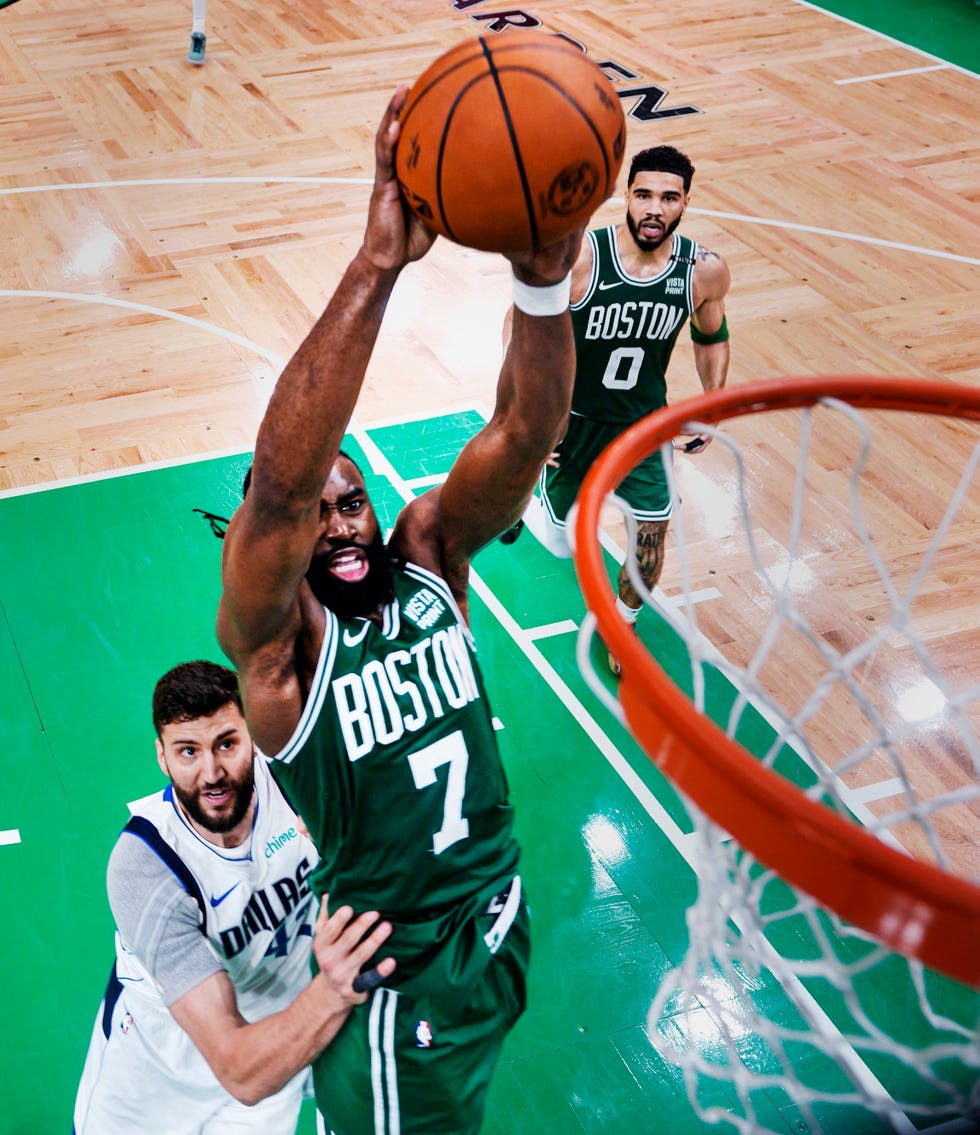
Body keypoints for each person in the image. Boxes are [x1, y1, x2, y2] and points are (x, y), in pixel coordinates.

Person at [215, 86, 588, 1135]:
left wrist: (545, 277)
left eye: (352, 500)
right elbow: (280, 493)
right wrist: (379, 264)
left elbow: (523, 432)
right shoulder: (278, 650)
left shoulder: (427, 553)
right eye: (315, 513)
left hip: (497, 921)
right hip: (398, 984)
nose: (338, 522)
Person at [73, 659, 395, 1135]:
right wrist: (333, 990)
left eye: (227, 744)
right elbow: (236, 1067)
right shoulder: (146, 865)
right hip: (156, 1073)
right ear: (162, 757)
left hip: (274, 1045)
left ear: (252, 737)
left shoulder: (300, 787)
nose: (211, 774)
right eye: (188, 752)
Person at [505, 145, 732, 675]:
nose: (655, 208)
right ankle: (518, 499)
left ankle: (619, 624)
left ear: (685, 203)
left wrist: (712, 403)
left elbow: (712, 336)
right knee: (555, 538)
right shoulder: (583, 257)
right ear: (626, 196)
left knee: (653, 533)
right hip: (574, 424)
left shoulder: (703, 271)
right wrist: (533, 416)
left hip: (643, 428)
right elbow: (520, 331)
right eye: (645, 194)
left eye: (669, 198)